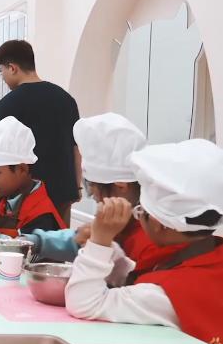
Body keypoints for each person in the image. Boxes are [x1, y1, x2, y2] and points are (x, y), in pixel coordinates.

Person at [66, 139, 223, 344]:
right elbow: (146, 279)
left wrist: (99, 242)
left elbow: (84, 303)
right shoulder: (207, 255)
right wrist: (109, 252)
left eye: (140, 212)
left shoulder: (164, 294)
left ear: (158, 223)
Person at [21, 113, 178, 265]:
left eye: (92, 186)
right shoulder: (123, 219)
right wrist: (36, 241)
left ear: (121, 186)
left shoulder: (150, 240)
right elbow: (84, 235)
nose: (94, 196)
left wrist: (98, 246)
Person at [0, 40, 81, 225]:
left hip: (26, 196)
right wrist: (76, 187)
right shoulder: (66, 99)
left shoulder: (8, 104)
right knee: (59, 240)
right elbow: (75, 147)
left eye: (1, 71)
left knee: (24, 242)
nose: (3, 77)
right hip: (63, 192)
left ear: (12, 68)